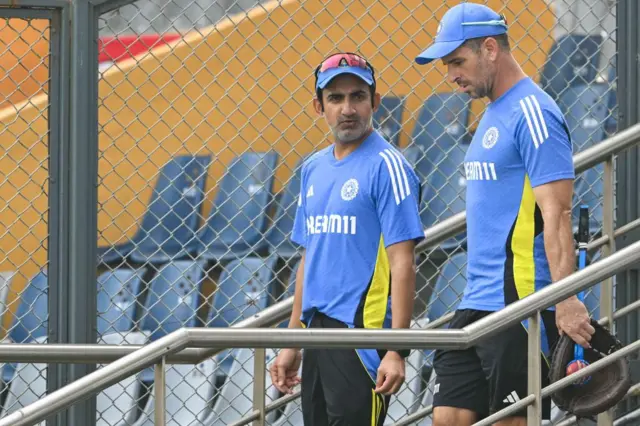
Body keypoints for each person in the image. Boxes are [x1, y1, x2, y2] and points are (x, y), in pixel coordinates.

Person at [414, 3, 595, 426]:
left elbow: (558, 214)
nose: (451, 75)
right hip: (476, 302)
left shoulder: (535, 112)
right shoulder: (495, 111)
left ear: (490, 48)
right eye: (447, 65)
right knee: (448, 417)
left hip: (521, 303)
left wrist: (565, 299)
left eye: (457, 61)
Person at [269, 52, 425, 426]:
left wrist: (396, 350)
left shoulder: (389, 166)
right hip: (317, 335)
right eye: (335, 98)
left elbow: (403, 261)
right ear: (318, 106)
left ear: (374, 100)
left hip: (361, 338)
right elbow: (311, 258)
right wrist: (293, 342)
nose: (348, 108)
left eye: (358, 96)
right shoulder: (311, 169)